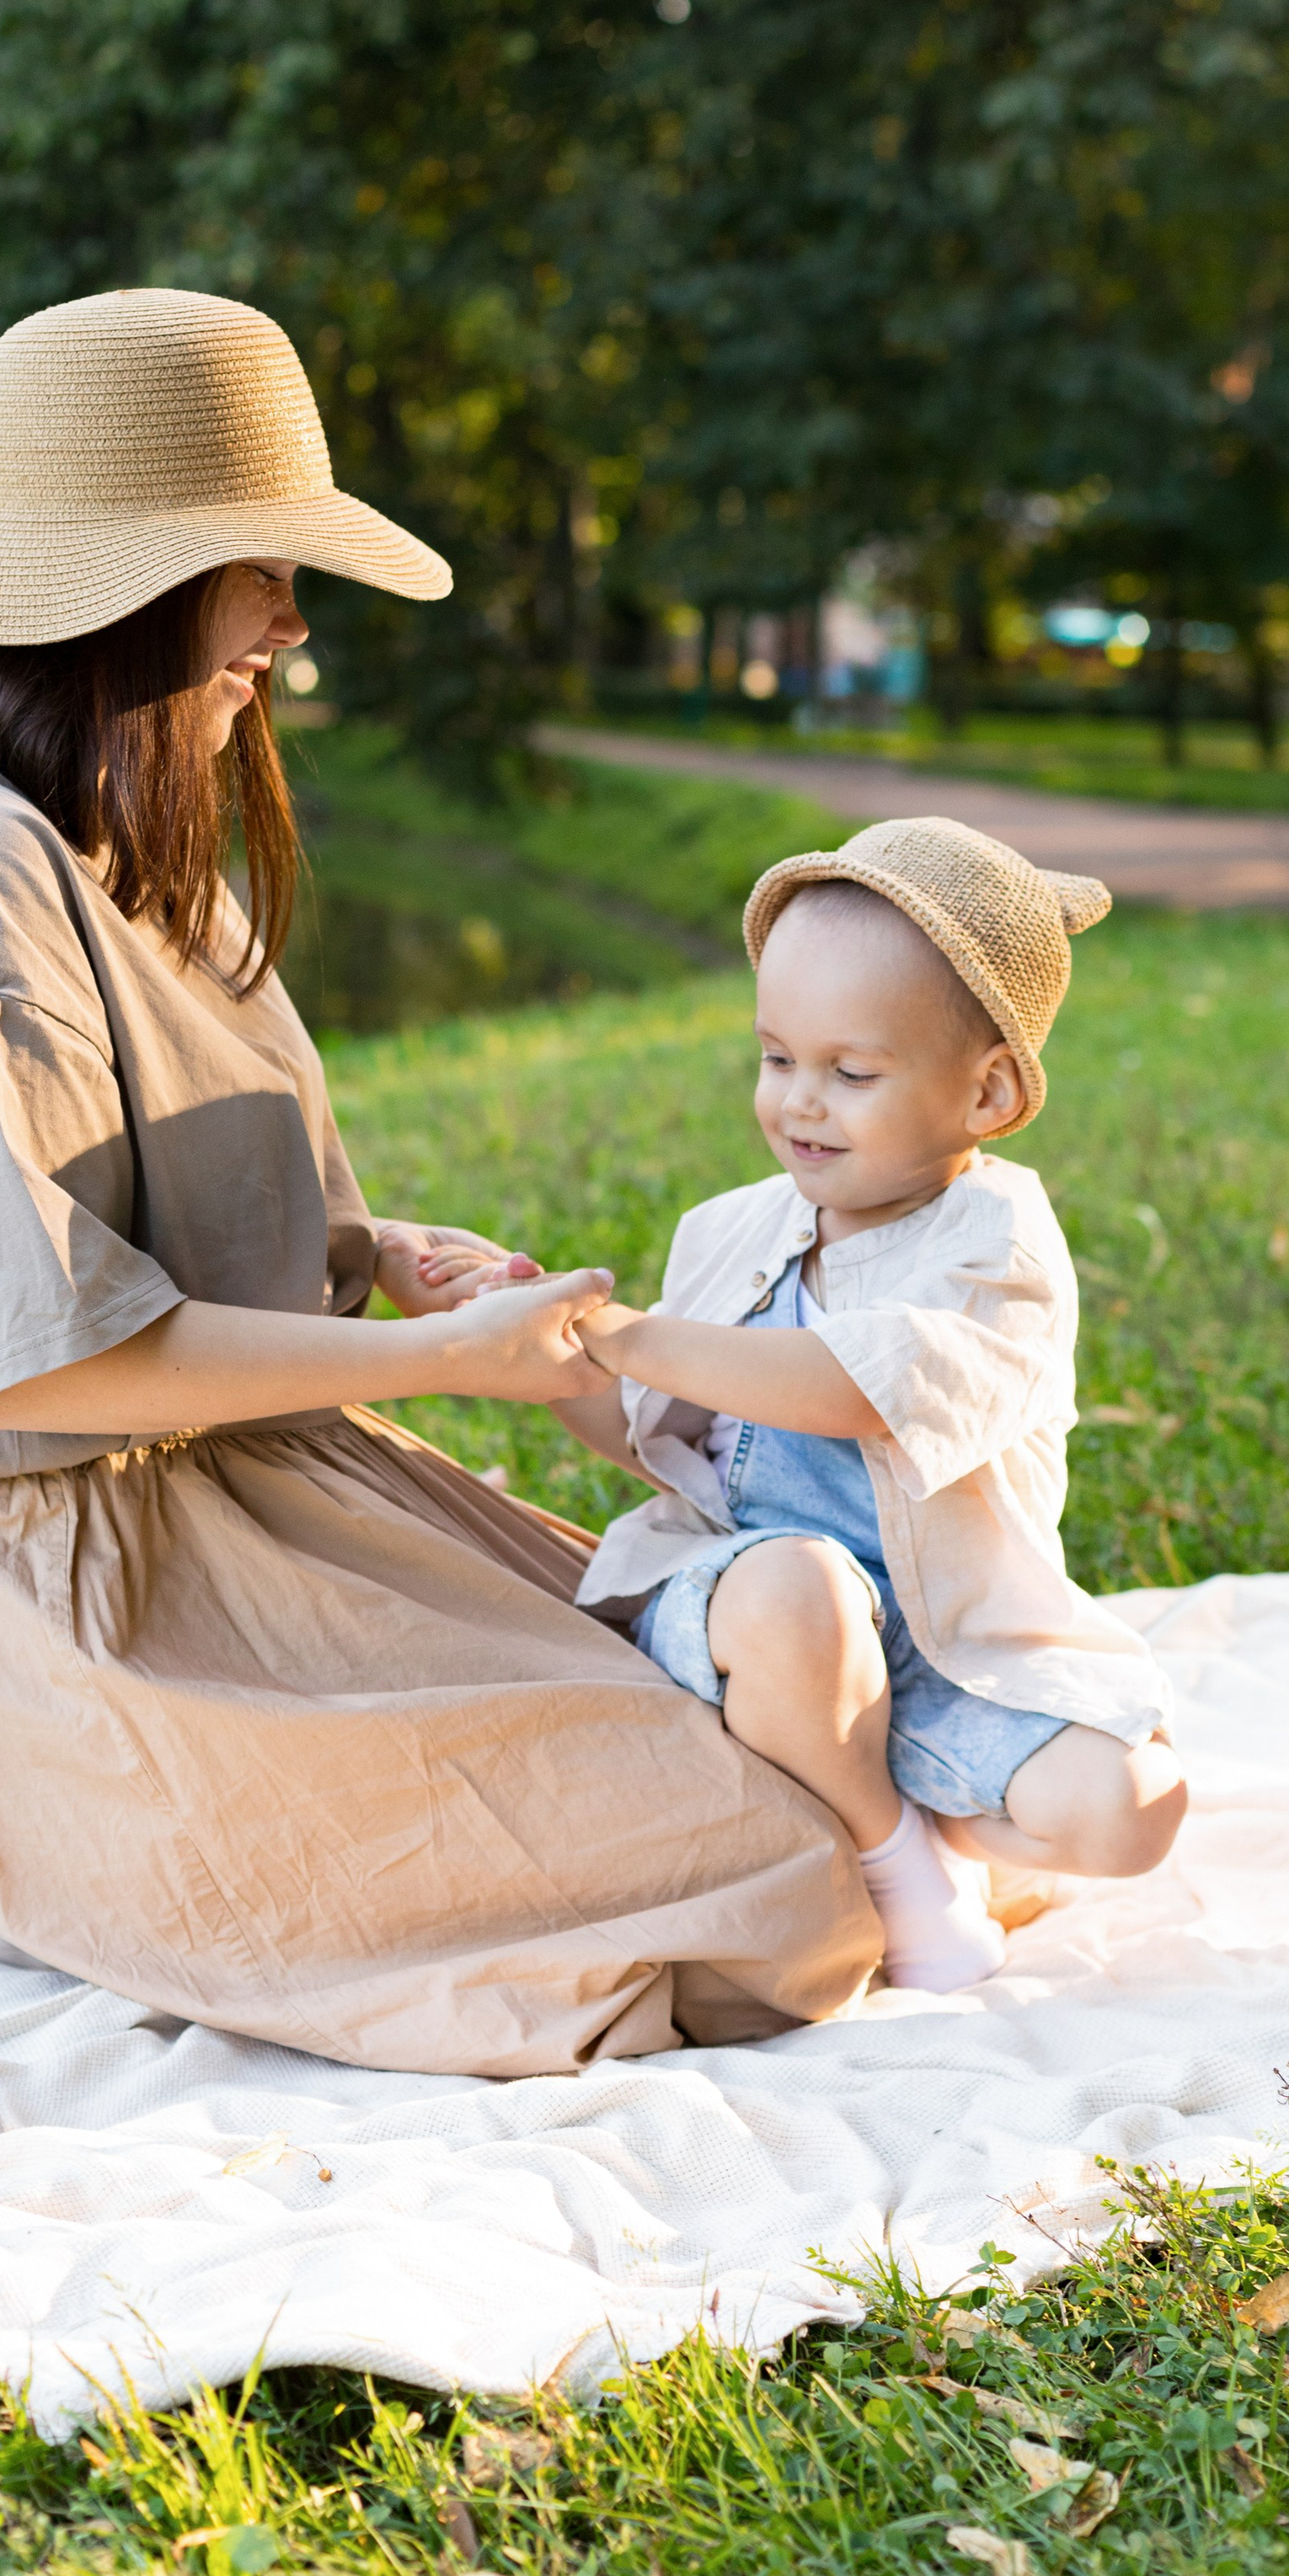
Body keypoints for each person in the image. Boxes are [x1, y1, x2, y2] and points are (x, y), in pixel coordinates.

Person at [0, 286, 877, 2076]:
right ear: (124, 579)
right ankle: (43, 1860)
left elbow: (160, 1213)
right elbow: (39, 1363)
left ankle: (102, 1882)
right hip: (51, 1597)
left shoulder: (127, 817)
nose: (286, 614)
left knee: (795, 1774)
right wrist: (446, 1366)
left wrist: (374, 1252)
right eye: (256, 562)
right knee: (767, 1891)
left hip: (249, 1507)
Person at [538, 817, 1186, 1991]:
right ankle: (897, 1871)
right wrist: (543, 1343)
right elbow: (650, 1437)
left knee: (1133, 1807)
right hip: (761, 1623)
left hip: (942, 1645)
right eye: (777, 1057)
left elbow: (851, 1392)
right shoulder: (733, 1230)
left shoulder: (999, 1252)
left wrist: (629, 1332)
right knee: (798, 1587)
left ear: (985, 1093)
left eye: (852, 1073)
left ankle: (894, 1826)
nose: (799, 1104)